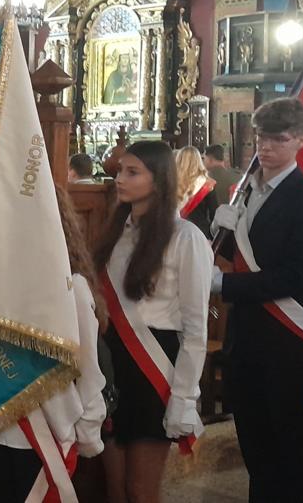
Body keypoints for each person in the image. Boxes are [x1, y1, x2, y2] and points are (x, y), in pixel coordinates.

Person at [211, 98, 303, 503]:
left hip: (288, 343)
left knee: (294, 450)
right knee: (257, 450)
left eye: (277, 138)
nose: (264, 147)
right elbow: (242, 257)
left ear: (300, 140)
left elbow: (296, 276)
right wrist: (219, 231)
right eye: (260, 137)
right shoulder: (244, 194)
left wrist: (224, 285)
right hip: (246, 339)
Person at [93, 140, 210, 503]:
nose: (120, 179)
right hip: (112, 364)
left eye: (132, 172)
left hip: (153, 365)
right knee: (114, 489)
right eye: (120, 171)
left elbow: (196, 329)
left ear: (158, 179)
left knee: (140, 490)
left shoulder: (185, 238)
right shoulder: (115, 232)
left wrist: (184, 396)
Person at [0, 186, 107, 502]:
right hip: (3, 428)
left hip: (49, 434)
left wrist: (87, 429)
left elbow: (88, 371)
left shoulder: (73, 287)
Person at [174, 146, 218, 236]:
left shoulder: (170, 183)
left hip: (176, 232)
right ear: (199, 161)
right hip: (200, 232)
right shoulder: (207, 184)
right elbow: (214, 214)